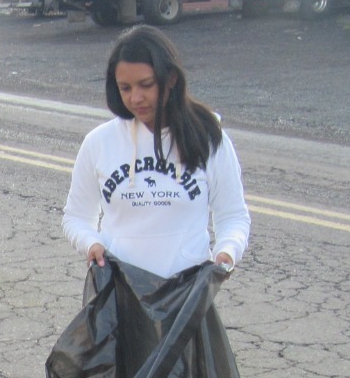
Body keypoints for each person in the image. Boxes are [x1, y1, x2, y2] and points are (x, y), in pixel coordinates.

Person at [62, 24, 249, 280]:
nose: (135, 98)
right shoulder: (99, 143)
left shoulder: (208, 139)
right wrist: (90, 243)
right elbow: (76, 217)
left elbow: (233, 214)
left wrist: (227, 251)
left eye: (146, 85)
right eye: (125, 88)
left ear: (170, 79)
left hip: (186, 296)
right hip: (120, 294)